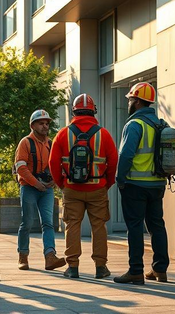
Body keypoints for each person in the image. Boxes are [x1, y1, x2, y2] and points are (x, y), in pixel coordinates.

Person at [49, 94, 118, 279]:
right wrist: (107, 184)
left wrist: (62, 184)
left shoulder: (63, 134)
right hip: (98, 187)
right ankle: (101, 268)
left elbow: (53, 163)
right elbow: (113, 162)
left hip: (72, 189)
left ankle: (72, 267)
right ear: (93, 111)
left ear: (74, 111)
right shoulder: (103, 134)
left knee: (72, 226)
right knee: (99, 227)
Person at [113, 82, 169, 285]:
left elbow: (126, 154)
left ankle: (136, 271)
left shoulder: (135, 124)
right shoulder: (160, 124)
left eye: (130, 99)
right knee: (157, 226)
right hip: (157, 184)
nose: (128, 102)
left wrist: (120, 179)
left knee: (135, 227)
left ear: (136, 101)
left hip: (135, 184)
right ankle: (160, 270)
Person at [14, 109, 66, 271]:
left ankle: (50, 257)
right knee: (27, 223)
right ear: (33, 125)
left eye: (46, 123)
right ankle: (23, 256)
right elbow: (20, 167)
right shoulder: (25, 143)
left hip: (47, 189)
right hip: (29, 187)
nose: (45, 126)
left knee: (48, 223)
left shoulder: (51, 144)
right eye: (41, 123)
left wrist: (55, 181)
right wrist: (36, 183)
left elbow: (61, 165)